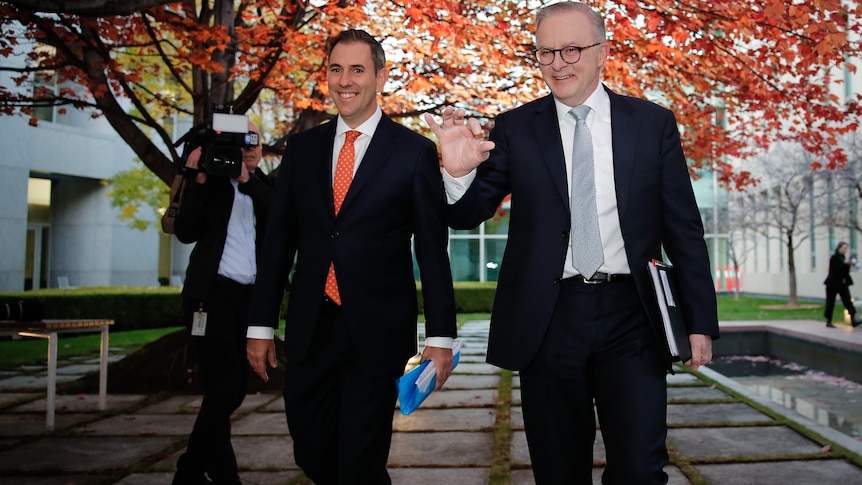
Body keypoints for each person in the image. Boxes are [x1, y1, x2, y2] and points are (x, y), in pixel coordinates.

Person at [424, 2, 719, 483]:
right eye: (545, 52)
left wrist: (699, 321)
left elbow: (683, 228)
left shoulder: (651, 124)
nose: (558, 62)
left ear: (602, 51)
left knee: (641, 470)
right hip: (548, 320)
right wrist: (456, 175)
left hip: (633, 317)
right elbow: (466, 213)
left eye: (571, 49)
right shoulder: (516, 128)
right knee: (559, 470)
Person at [245, 29, 457, 484]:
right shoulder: (302, 150)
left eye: (357, 69)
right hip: (309, 328)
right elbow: (278, 244)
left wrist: (442, 337)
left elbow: (433, 251)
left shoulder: (413, 152)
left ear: (379, 76)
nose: (345, 80)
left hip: (377, 332)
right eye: (335, 69)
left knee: (360, 458)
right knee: (312, 452)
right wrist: (260, 325)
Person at [172, 121, 272, 485]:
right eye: (239, 142)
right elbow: (185, 232)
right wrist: (197, 175)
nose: (248, 148)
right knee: (225, 389)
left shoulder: (266, 186)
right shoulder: (211, 184)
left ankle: (192, 470)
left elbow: (280, 216)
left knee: (229, 390)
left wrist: (247, 179)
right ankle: (219, 475)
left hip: (249, 301)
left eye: (254, 141)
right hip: (211, 298)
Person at [824, 241, 859, 328]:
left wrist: (847, 265)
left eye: (846, 248)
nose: (845, 250)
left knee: (848, 301)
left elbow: (845, 272)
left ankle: (853, 320)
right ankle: (829, 321)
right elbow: (836, 270)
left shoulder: (842, 258)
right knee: (830, 302)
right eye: (843, 248)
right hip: (832, 284)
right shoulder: (834, 258)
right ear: (839, 248)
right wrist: (845, 265)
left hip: (842, 284)